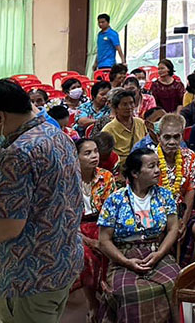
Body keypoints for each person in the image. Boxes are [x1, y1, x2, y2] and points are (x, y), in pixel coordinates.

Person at [0, 80, 83, 323]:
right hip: (63, 263)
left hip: (31, 278)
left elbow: (7, 228)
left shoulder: (19, 153)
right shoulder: (57, 135)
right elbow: (46, 203)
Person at [97, 147, 180, 322]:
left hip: (157, 252)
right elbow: (104, 241)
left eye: (157, 165)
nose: (157, 170)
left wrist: (159, 254)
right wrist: (126, 262)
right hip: (124, 256)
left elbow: (173, 229)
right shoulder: (116, 200)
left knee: (176, 283)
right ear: (135, 173)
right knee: (130, 292)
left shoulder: (164, 195)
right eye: (151, 166)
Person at [75, 137, 115, 320]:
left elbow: (111, 212)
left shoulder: (106, 177)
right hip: (76, 228)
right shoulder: (68, 179)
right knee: (85, 256)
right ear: (76, 157)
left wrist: (102, 238)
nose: (94, 156)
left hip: (101, 224)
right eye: (87, 153)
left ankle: (108, 297)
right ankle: (92, 302)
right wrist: (88, 240)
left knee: (108, 249)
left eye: (96, 151)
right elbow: (66, 219)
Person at [155, 115, 195, 244]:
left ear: (182, 136)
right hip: (156, 213)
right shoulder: (150, 158)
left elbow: (191, 191)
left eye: (176, 137)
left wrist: (182, 222)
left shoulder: (190, 156)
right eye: (167, 137)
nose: (172, 142)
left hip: (183, 211)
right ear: (158, 137)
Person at [102, 88, 148, 158]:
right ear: (116, 108)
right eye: (124, 104)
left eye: (131, 103)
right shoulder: (108, 130)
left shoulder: (140, 122)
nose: (129, 107)